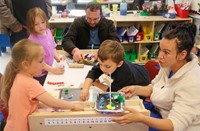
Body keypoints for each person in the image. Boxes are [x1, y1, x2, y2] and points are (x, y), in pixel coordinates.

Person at [112, 23, 200, 131]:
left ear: (182, 55)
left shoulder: (192, 83)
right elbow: (155, 87)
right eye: (160, 49)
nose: (159, 56)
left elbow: (173, 125)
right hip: (157, 112)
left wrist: (142, 118)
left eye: (166, 52)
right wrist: (136, 89)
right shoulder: (169, 65)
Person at [0, 39, 84, 131]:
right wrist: (73, 106)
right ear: (25, 65)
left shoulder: (17, 76)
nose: (44, 64)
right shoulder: (30, 84)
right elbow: (53, 102)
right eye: (40, 61)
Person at [80, 40, 150, 101]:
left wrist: (96, 84)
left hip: (143, 83)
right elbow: (94, 72)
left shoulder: (124, 74)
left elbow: (115, 91)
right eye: (100, 64)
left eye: (107, 66)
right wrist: (85, 89)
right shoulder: (107, 62)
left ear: (119, 64)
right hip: (136, 70)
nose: (102, 68)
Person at [27, 7, 64, 85]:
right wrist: (53, 70)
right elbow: (38, 61)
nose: (41, 26)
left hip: (49, 69)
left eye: (43, 22)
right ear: (31, 26)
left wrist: (56, 57)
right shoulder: (33, 40)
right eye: (36, 24)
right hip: (39, 74)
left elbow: (52, 45)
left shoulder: (47, 31)